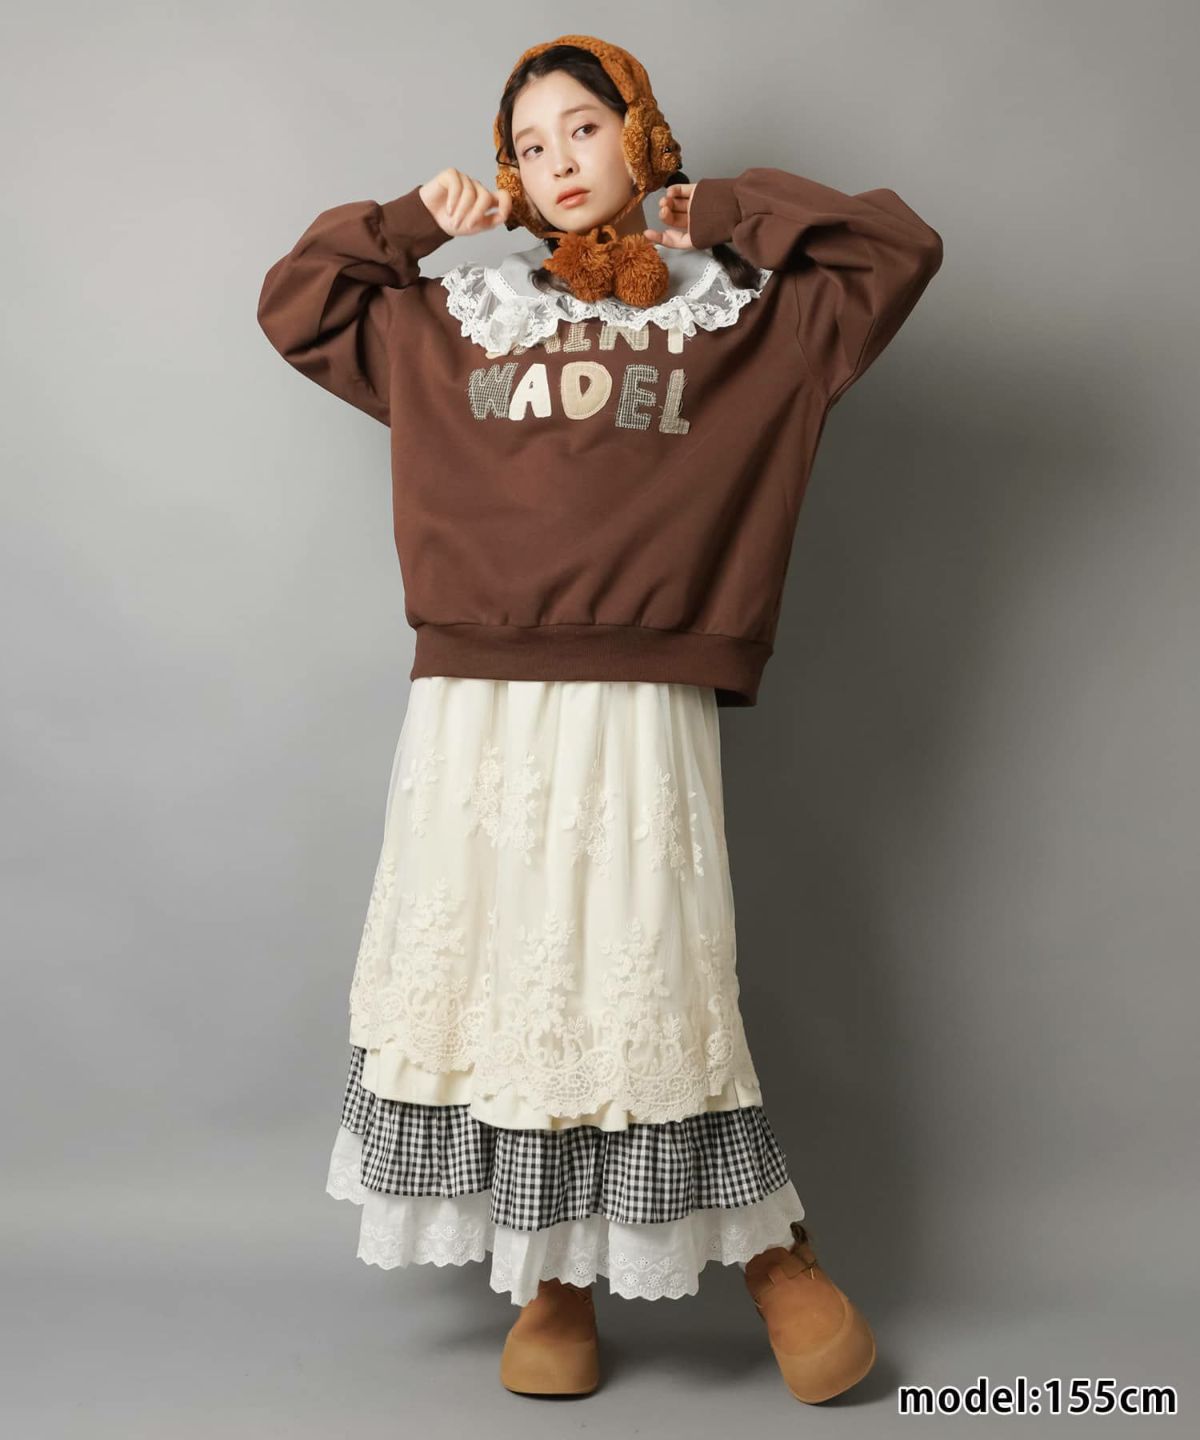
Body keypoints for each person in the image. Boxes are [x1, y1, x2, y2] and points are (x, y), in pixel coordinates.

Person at [257, 32, 942, 1404]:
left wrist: (723, 211)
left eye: (583, 126)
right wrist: (414, 224)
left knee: (647, 972)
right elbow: (299, 302)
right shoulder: (457, 315)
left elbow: (893, 252)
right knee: (509, 979)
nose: (557, 160)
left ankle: (780, 1264)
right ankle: (554, 1281)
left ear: (641, 132)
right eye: (529, 144)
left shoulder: (739, 313)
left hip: (639, 690)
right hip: (474, 700)